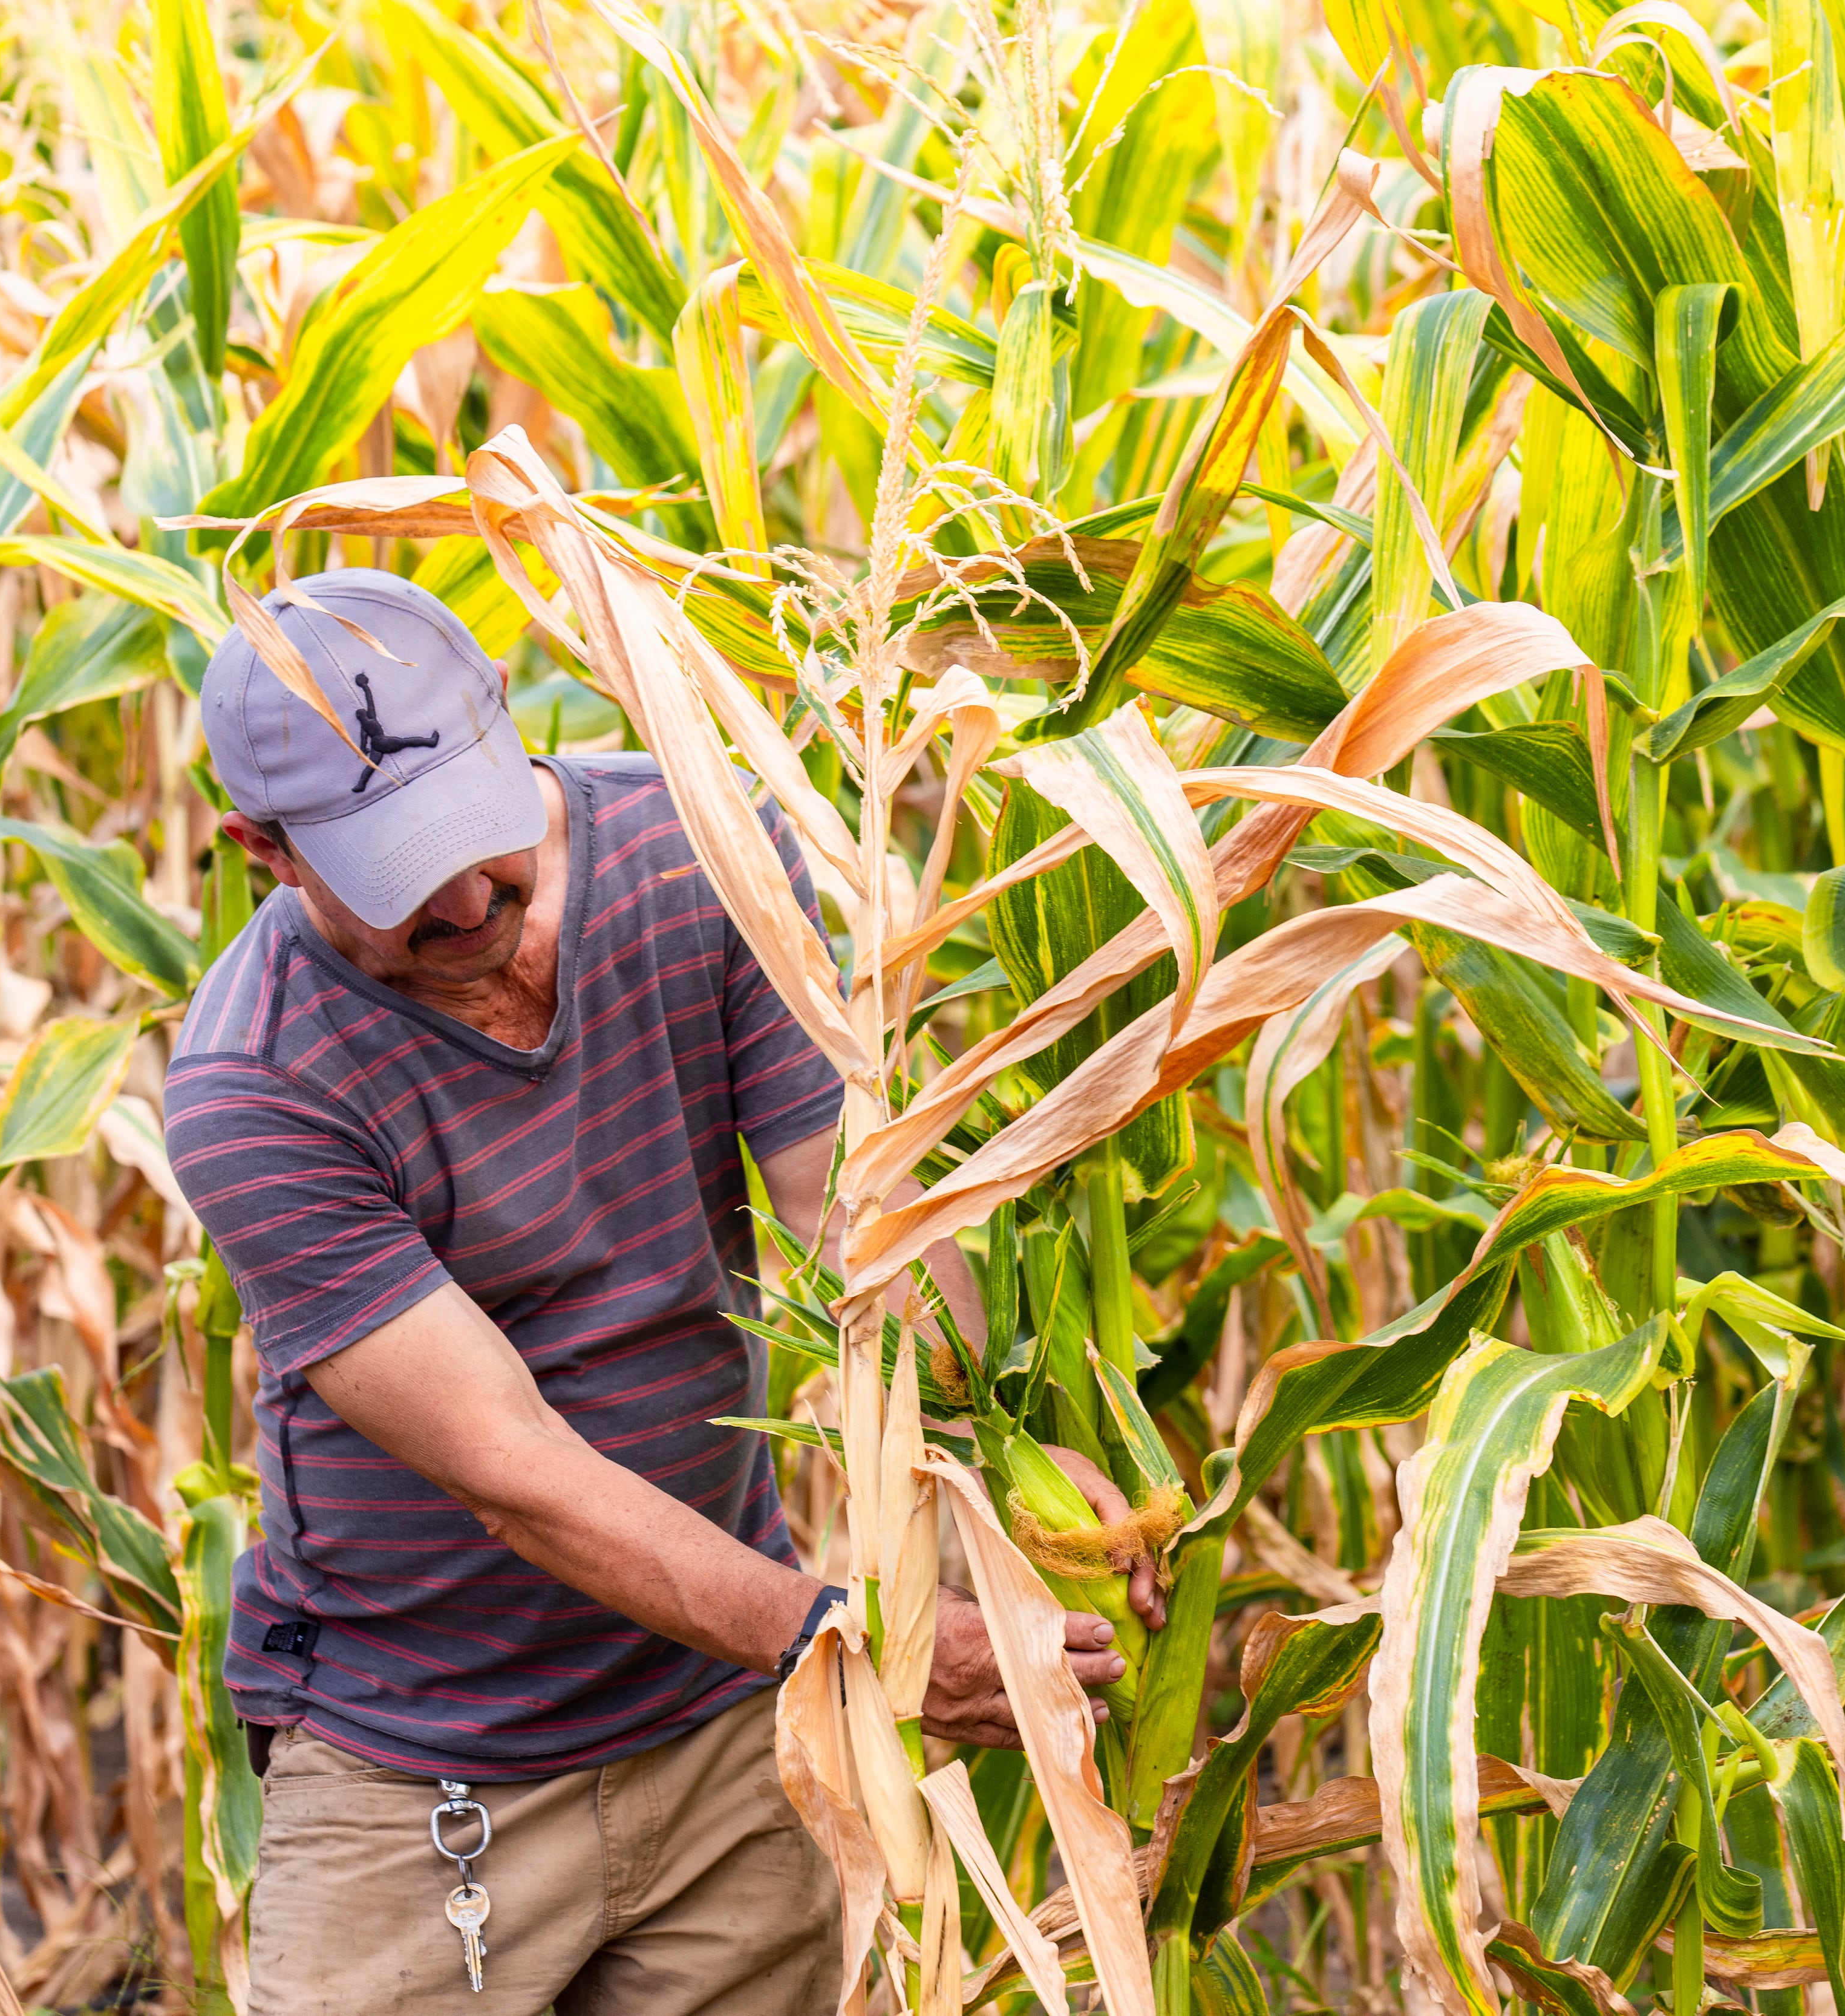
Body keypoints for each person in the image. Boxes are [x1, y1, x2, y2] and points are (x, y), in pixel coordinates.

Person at [165, 570, 1165, 2015]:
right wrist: (853, 1652)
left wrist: (1009, 1477)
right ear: (262, 851)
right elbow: (517, 1473)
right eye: (394, 874)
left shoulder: (701, 850)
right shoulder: (257, 1080)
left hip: (722, 1729)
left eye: (475, 830)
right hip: (421, 1763)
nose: (465, 899)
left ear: (509, 724)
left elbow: (850, 1219)